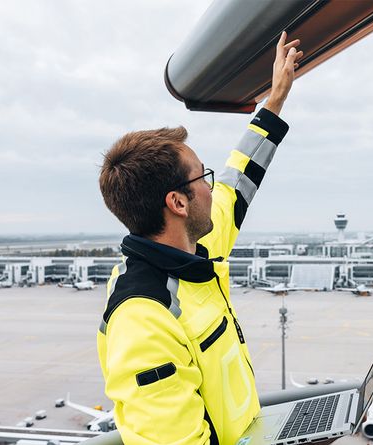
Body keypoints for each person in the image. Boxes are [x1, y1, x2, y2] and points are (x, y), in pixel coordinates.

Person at [97, 32, 302, 444]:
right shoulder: (143, 319)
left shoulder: (195, 250)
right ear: (178, 202)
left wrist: (275, 101)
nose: (212, 187)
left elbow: (237, 180)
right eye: (203, 177)